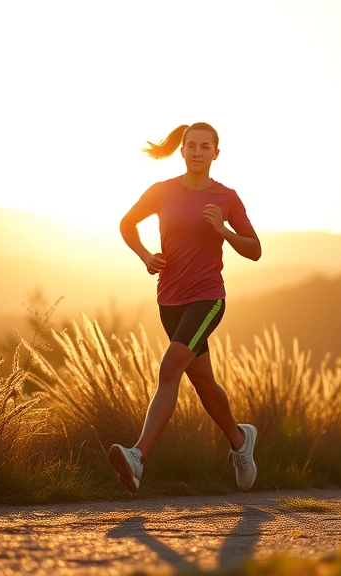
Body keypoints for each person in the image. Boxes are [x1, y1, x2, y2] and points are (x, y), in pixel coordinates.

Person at [109, 122, 261, 493]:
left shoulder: (226, 197)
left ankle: (138, 456)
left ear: (215, 154)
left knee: (170, 367)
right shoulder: (162, 192)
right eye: (191, 145)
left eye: (205, 146)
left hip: (208, 298)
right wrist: (145, 255)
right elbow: (127, 223)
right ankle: (241, 442)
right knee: (204, 384)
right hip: (169, 299)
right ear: (183, 151)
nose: (197, 151)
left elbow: (254, 249)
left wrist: (223, 230)